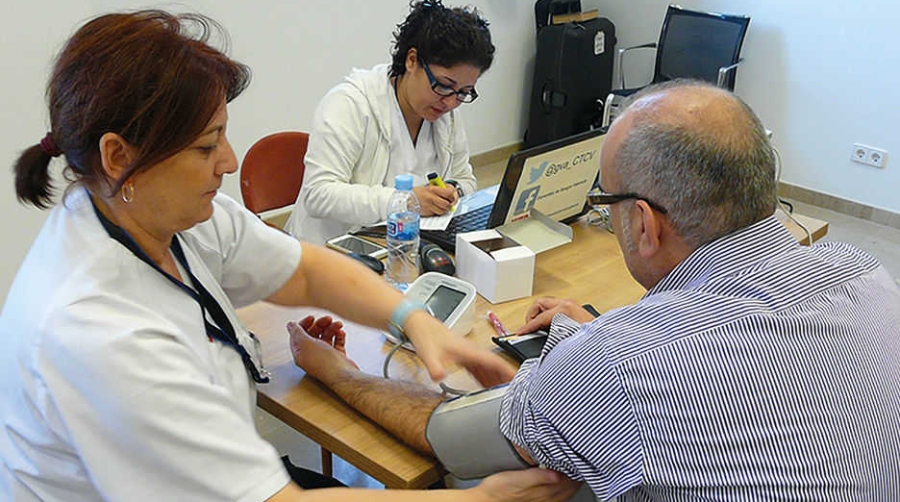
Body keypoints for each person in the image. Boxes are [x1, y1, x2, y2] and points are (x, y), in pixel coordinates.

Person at [0, 10, 581, 502]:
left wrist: (417, 322)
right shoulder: (96, 331)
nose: (229, 161)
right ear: (117, 156)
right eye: (207, 146)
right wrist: (480, 499)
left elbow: (302, 269)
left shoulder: (171, 217)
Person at [290, 80, 900, 500]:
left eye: (605, 205)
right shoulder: (865, 272)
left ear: (642, 222)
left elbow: (447, 434)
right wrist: (591, 344)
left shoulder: (626, 360)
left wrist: (337, 372)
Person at [286, 0, 493, 243]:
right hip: (332, 250)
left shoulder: (445, 112)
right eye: (444, 85)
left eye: (464, 92)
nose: (450, 102)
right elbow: (319, 194)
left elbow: (465, 179)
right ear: (412, 60)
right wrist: (407, 201)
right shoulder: (350, 104)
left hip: (404, 244)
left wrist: (452, 192)